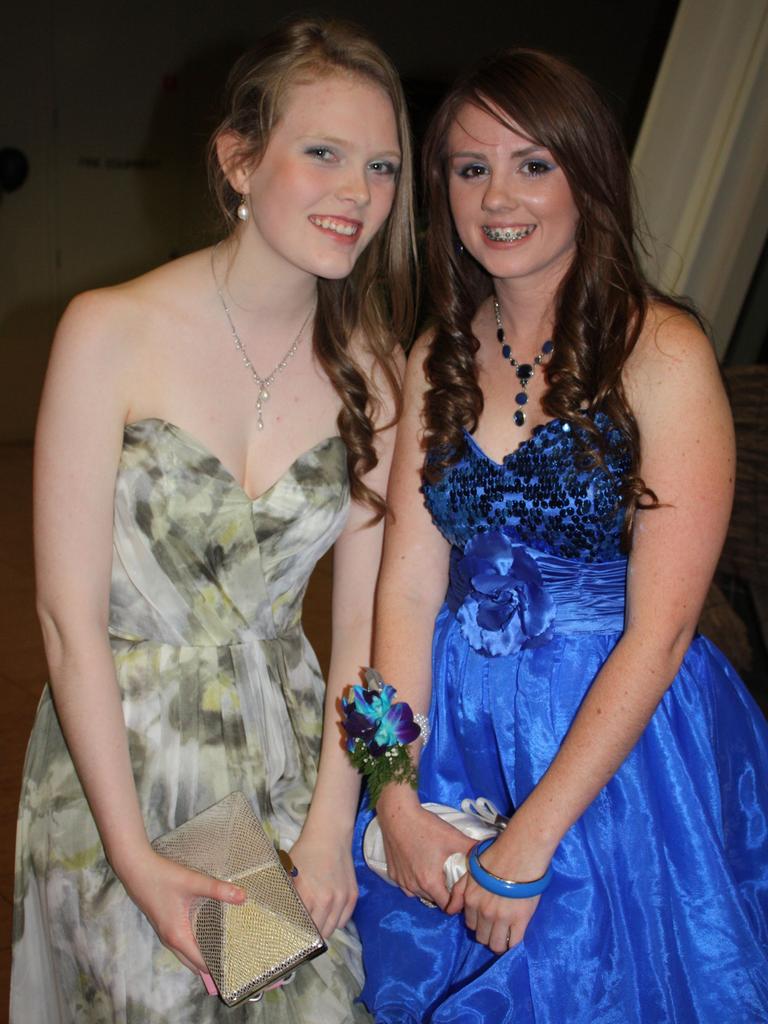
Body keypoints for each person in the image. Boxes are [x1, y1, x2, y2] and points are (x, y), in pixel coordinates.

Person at [352, 48, 768, 1023]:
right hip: (448, 735)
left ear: (590, 176)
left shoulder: (661, 350)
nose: (499, 194)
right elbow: (404, 595)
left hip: (609, 750)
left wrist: (531, 838)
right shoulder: (434, 355)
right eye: (469, 167)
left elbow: (661, 633)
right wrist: (393, 796)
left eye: (533, 162)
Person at [12, 17, 415, 1023]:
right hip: (122, 759)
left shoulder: (378, 373)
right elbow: (67, 619)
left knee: (304, 1006)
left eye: (381, 166)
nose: (358, 192)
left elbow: (363, 632)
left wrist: (333, 822)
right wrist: (134, 855)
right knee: (149, 1002)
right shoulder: (111, 330)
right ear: (239, 160)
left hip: (283, 761)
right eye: (323, 153)